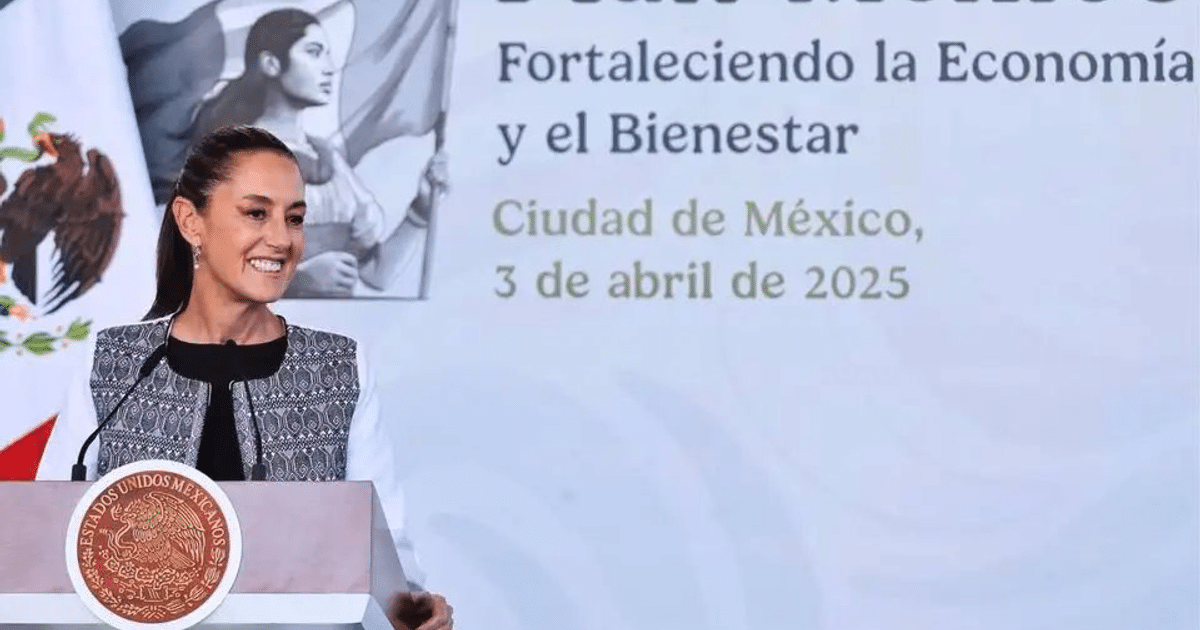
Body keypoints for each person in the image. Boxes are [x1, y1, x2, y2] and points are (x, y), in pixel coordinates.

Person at [35, 125, 452, 630]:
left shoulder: (338, 366)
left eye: (294, 218)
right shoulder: (114, 362)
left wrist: (413, 608)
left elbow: (383, 541)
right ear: (191, 221)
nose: (281, 238)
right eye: (257, 213)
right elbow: (48, 543)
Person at [190, 7, 448, 298]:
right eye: (314, 52)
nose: (328, 67)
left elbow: (376, 275)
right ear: (272, 64)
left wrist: (421, 209)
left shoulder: (330, 160)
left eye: (326, 54)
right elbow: (201, 268)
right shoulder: (231, 156)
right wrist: (296, 279)